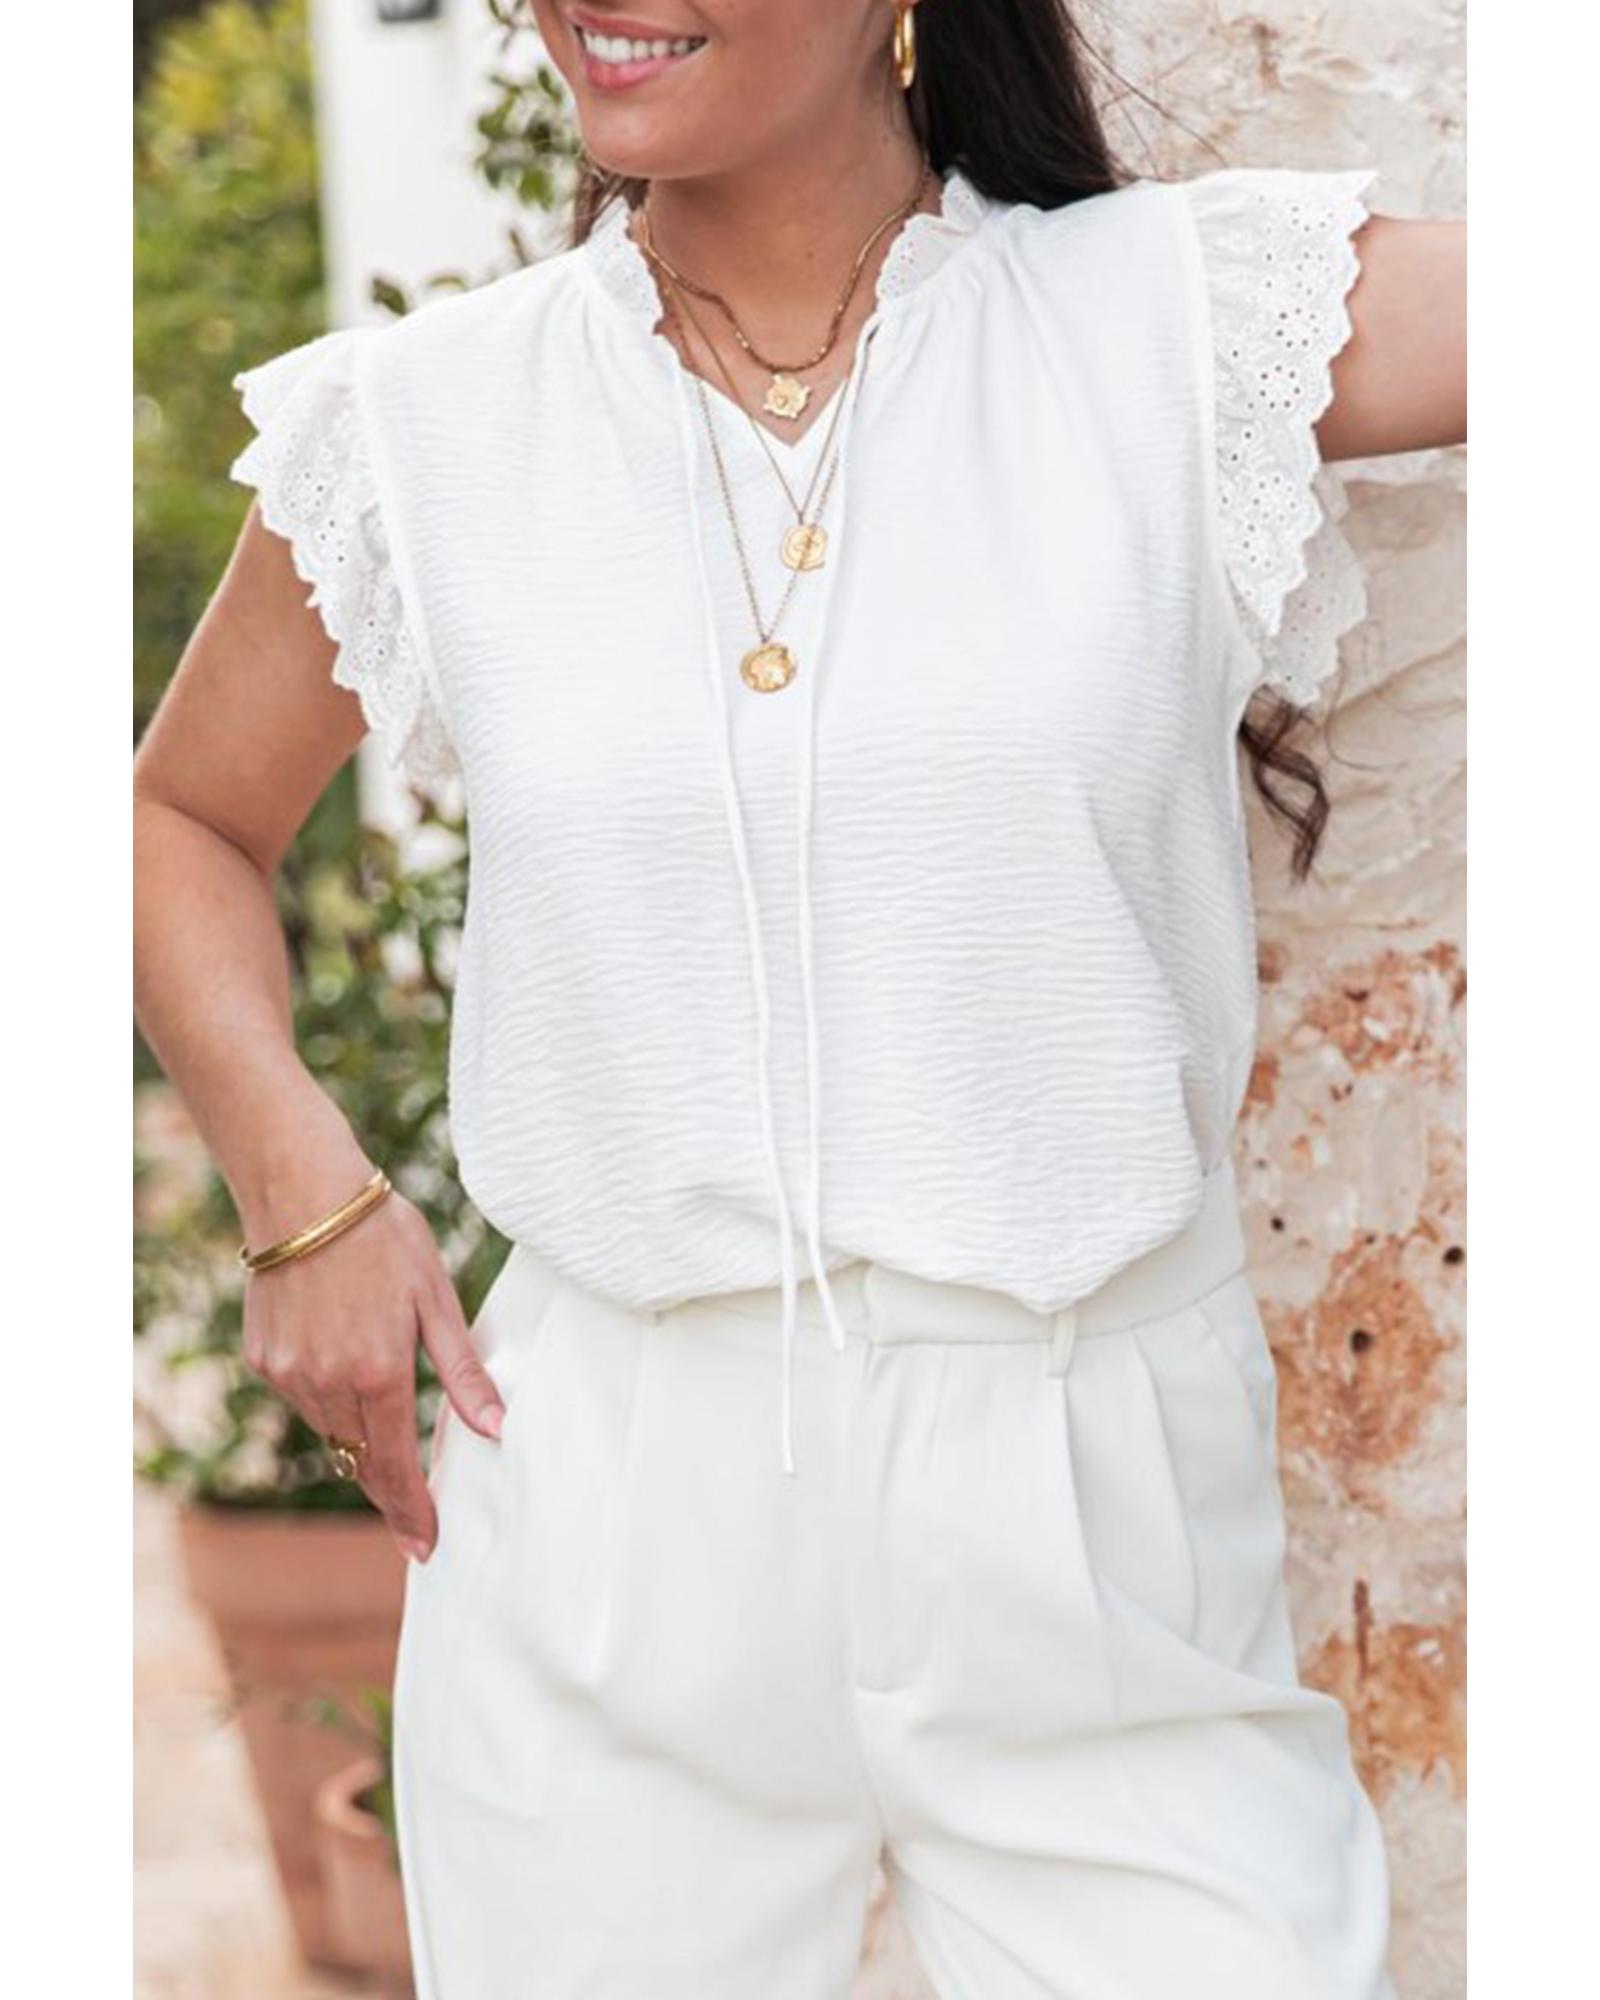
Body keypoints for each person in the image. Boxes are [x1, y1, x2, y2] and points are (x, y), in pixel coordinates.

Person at [132, 1, 1466, 1993]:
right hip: (610, 1507)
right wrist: (295, 1184)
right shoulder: (423, 424)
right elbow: (175, 819)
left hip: (1094, 1504)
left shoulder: (1180, 322)